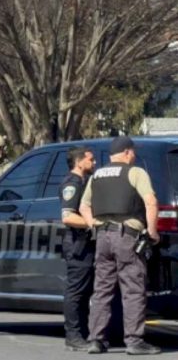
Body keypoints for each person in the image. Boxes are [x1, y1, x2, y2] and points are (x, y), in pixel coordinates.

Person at [79, 136, 161, 355]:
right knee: (133, 289)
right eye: (133, 151)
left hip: (102, 237)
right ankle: (134, 341)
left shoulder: (97, 175)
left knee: (101, 290)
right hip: (127, 237)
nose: (134, 155)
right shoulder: (135, 172)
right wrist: (152, 232)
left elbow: (84, 206)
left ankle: (96, 339)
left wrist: (93, 225)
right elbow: (151, 201)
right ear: (126, 152)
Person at [59, 146, 96, 351]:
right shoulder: (71, 184)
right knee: (76, 291)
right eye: (90, 159)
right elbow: (68, 216)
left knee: (86, 291)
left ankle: (83, 332)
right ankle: (73, 335)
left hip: (87, 244)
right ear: (79, 161)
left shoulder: (84, 182)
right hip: (77, 245)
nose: (94, 163)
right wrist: (94, 223)